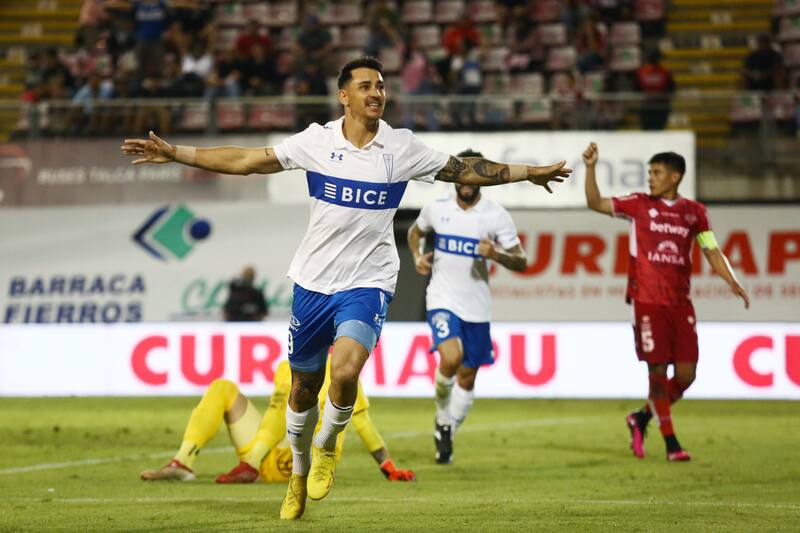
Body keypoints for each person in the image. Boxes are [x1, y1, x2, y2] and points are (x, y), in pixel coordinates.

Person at [121, 56, 572, 520]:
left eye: (381, 86)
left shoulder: (402, 148)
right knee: (301, 390)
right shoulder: (317, 141)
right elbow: (249, 160)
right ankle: (298, 470)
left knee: (345, 370)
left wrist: (528, 172)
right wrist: (178, 153)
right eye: (365, 86)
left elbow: (466, 169)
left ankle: (328, 446)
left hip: (368, 281)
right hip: (313, 282)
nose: (376, 93)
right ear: (344, 96)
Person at [582, 143, 749, 462]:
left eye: (656, 173)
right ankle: (671, 442)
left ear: (676, 177)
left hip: (680, 303)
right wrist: (591, 168)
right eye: (649, 173)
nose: (651, 179)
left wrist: (731, 280)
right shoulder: (638, 205)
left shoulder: (695, 212)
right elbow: (594, 202)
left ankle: (641, 416)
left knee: (686, 376)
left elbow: (710, 249)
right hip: (646, 300)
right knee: (657, 372)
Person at [407, 149, 527, 465]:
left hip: (477, 306)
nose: (467, 180)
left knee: (468, 377)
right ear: (454, 176)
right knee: (451, 357)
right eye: (462, 173)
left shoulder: (496, 215)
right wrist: (417, 256)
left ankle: (445, 428)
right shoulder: (436, 209)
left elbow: (522, 261)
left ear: (483, 178)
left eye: (474, 174)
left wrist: (498, 255)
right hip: (442, 299)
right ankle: (442, 415)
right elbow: (414, 232)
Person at [140, 360, 415, 484]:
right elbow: (275, 415)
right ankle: (183, 463)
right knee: (223, 387)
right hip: (266, 457)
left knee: (294, 396)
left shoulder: (342, 374)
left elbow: (362, 422)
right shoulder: (287, 366)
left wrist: (387, 465)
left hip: (307, 462)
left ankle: (250, 465)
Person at [635, 49, 675, 131]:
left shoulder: (641, 72)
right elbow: (672, 88)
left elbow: (636, 89)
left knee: (647, 131)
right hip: (660, 106)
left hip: (647, 106)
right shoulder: (665, 72)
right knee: (658, 131)